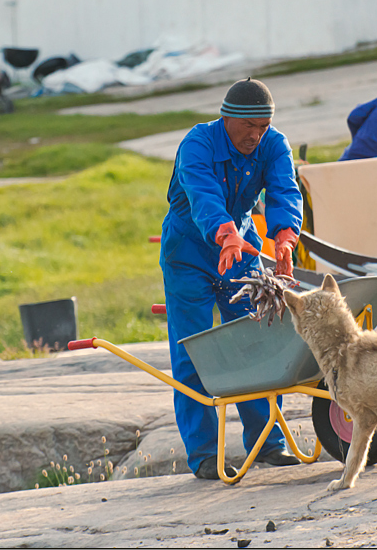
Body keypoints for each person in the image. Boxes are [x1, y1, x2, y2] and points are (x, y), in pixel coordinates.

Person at [159, 78, 304, 480]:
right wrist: (224, 235)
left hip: (243, 249)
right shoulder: (198, 143)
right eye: (249, 127)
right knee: (194, 350)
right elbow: (202, 194)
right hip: (189, 250)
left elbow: (284, 191)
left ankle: (266, 443)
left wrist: (286, 241)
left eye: (263, 127)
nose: (256, 136)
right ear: (227, 118)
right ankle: (205, 454)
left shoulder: (275, 144)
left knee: (251, 343)